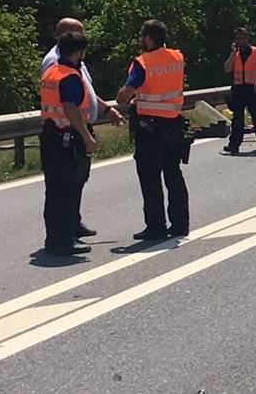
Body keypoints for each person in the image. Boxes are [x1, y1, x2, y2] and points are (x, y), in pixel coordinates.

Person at [40, 17, 121, 238]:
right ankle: (63, 235)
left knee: (73, 182)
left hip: (67, 130)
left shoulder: (73, 62)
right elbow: (68, 104)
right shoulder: (56, 62)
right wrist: (85, 135)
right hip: (66, 132)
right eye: (80, 34)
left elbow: (85, 93)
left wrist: (106, 109)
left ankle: (70, 226)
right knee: (63, 186)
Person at [117, 19, 190, 240]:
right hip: (174, 124)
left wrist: (125, 96)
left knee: (150, 178)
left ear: (148, 38)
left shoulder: (143, 62)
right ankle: (180, 224)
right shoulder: (178, 57)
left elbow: (124, 96)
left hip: (150, 128)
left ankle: (156, 226)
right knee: (173, 174)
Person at [40, 32, 97, 256]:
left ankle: (53, 239)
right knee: (67, 191)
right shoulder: (70, 76)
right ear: (78, 52)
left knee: (53, 191)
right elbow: (70, 108)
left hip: (50, 135)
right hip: (66, 138)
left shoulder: (51, 72)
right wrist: (87, 137)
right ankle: (64, 241)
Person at [222, 27, 256, 154]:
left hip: (253, 88)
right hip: (239, 89)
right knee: (237, 119)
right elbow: (227, 69)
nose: (239, 40)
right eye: (237, 38)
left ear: (247, 38)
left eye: (241, 37)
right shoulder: (235, 54)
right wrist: (232, 53)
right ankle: (234, 145)